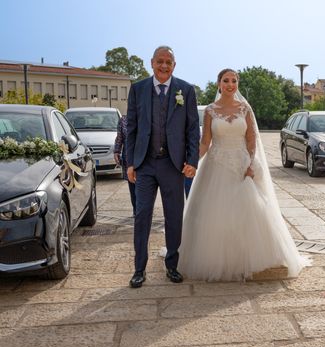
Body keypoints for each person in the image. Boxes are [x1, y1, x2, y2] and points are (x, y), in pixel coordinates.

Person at [178, 69, 308, 281]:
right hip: (216, 165)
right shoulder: (210, 110)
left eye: (234, 81)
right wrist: (193, 162)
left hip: (242, 165)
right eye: (226, 80)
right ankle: (219, 261)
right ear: (218, 83)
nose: (230, 84)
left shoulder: (245, 108)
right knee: (215, 213)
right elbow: (205, 142)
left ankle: (250, 259)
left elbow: (251, 138)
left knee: (248, 212)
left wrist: (250, 163)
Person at [126, 46, 200, 288]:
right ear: (152, 63)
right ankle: (139, 269)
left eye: (169, 62)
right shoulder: (137, 89)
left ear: (174, 65)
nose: (164, 66)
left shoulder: (186, 90)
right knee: (142, 216)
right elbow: (132, 129)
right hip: (145, 165)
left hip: (173, 165)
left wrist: (192, 161)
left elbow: (192, 129)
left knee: (174, 217)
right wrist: (130, 162)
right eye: (160, 61)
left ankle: (172, 265)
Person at [113, 114, 136, 216]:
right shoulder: (123, 120)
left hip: (144, 158)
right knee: (132, 186)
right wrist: (116, 151)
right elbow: (119, 138)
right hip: (128, 158)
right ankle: (136, 209)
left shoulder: (146, 116)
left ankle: (143, 209)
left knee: (144, 186)